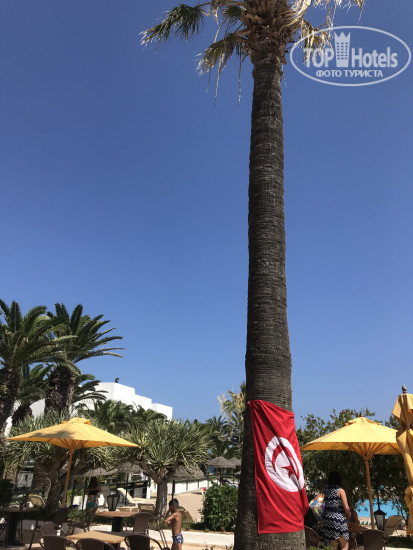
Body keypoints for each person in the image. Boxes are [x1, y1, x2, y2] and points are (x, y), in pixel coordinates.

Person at [322, 471, 351, 550]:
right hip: (338, 520)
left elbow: (317, 504)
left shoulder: (325, 490)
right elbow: (346, 508)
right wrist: (349, 514)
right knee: (344, 546)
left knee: (333, 547)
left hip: (327, 520)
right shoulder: (340, 491)